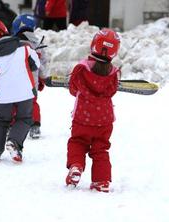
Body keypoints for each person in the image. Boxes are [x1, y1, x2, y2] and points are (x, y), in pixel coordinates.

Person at [65, 28, 121, 192]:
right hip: (104, 121)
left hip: (82, 118)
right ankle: (101, 181)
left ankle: (76, 166)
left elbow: (73, 89)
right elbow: (112, 91)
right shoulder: (113, 73)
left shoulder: (81, 69)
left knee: (77, 142)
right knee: (101, 149)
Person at [0, 19, 41, 163]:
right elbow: (36, 64)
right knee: (24, 119)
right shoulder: (25, 48)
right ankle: (14, 142)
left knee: (0, 121)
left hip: (4, 96)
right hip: (25, 92)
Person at [11, 14, 48, 139]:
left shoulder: (12, 42)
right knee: (32, 103)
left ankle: (10, 124)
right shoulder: (37, 43)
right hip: (32, 83)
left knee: (13, 102)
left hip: (15, 81)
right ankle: (35, 125)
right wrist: (42, 77)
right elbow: (43, 63)